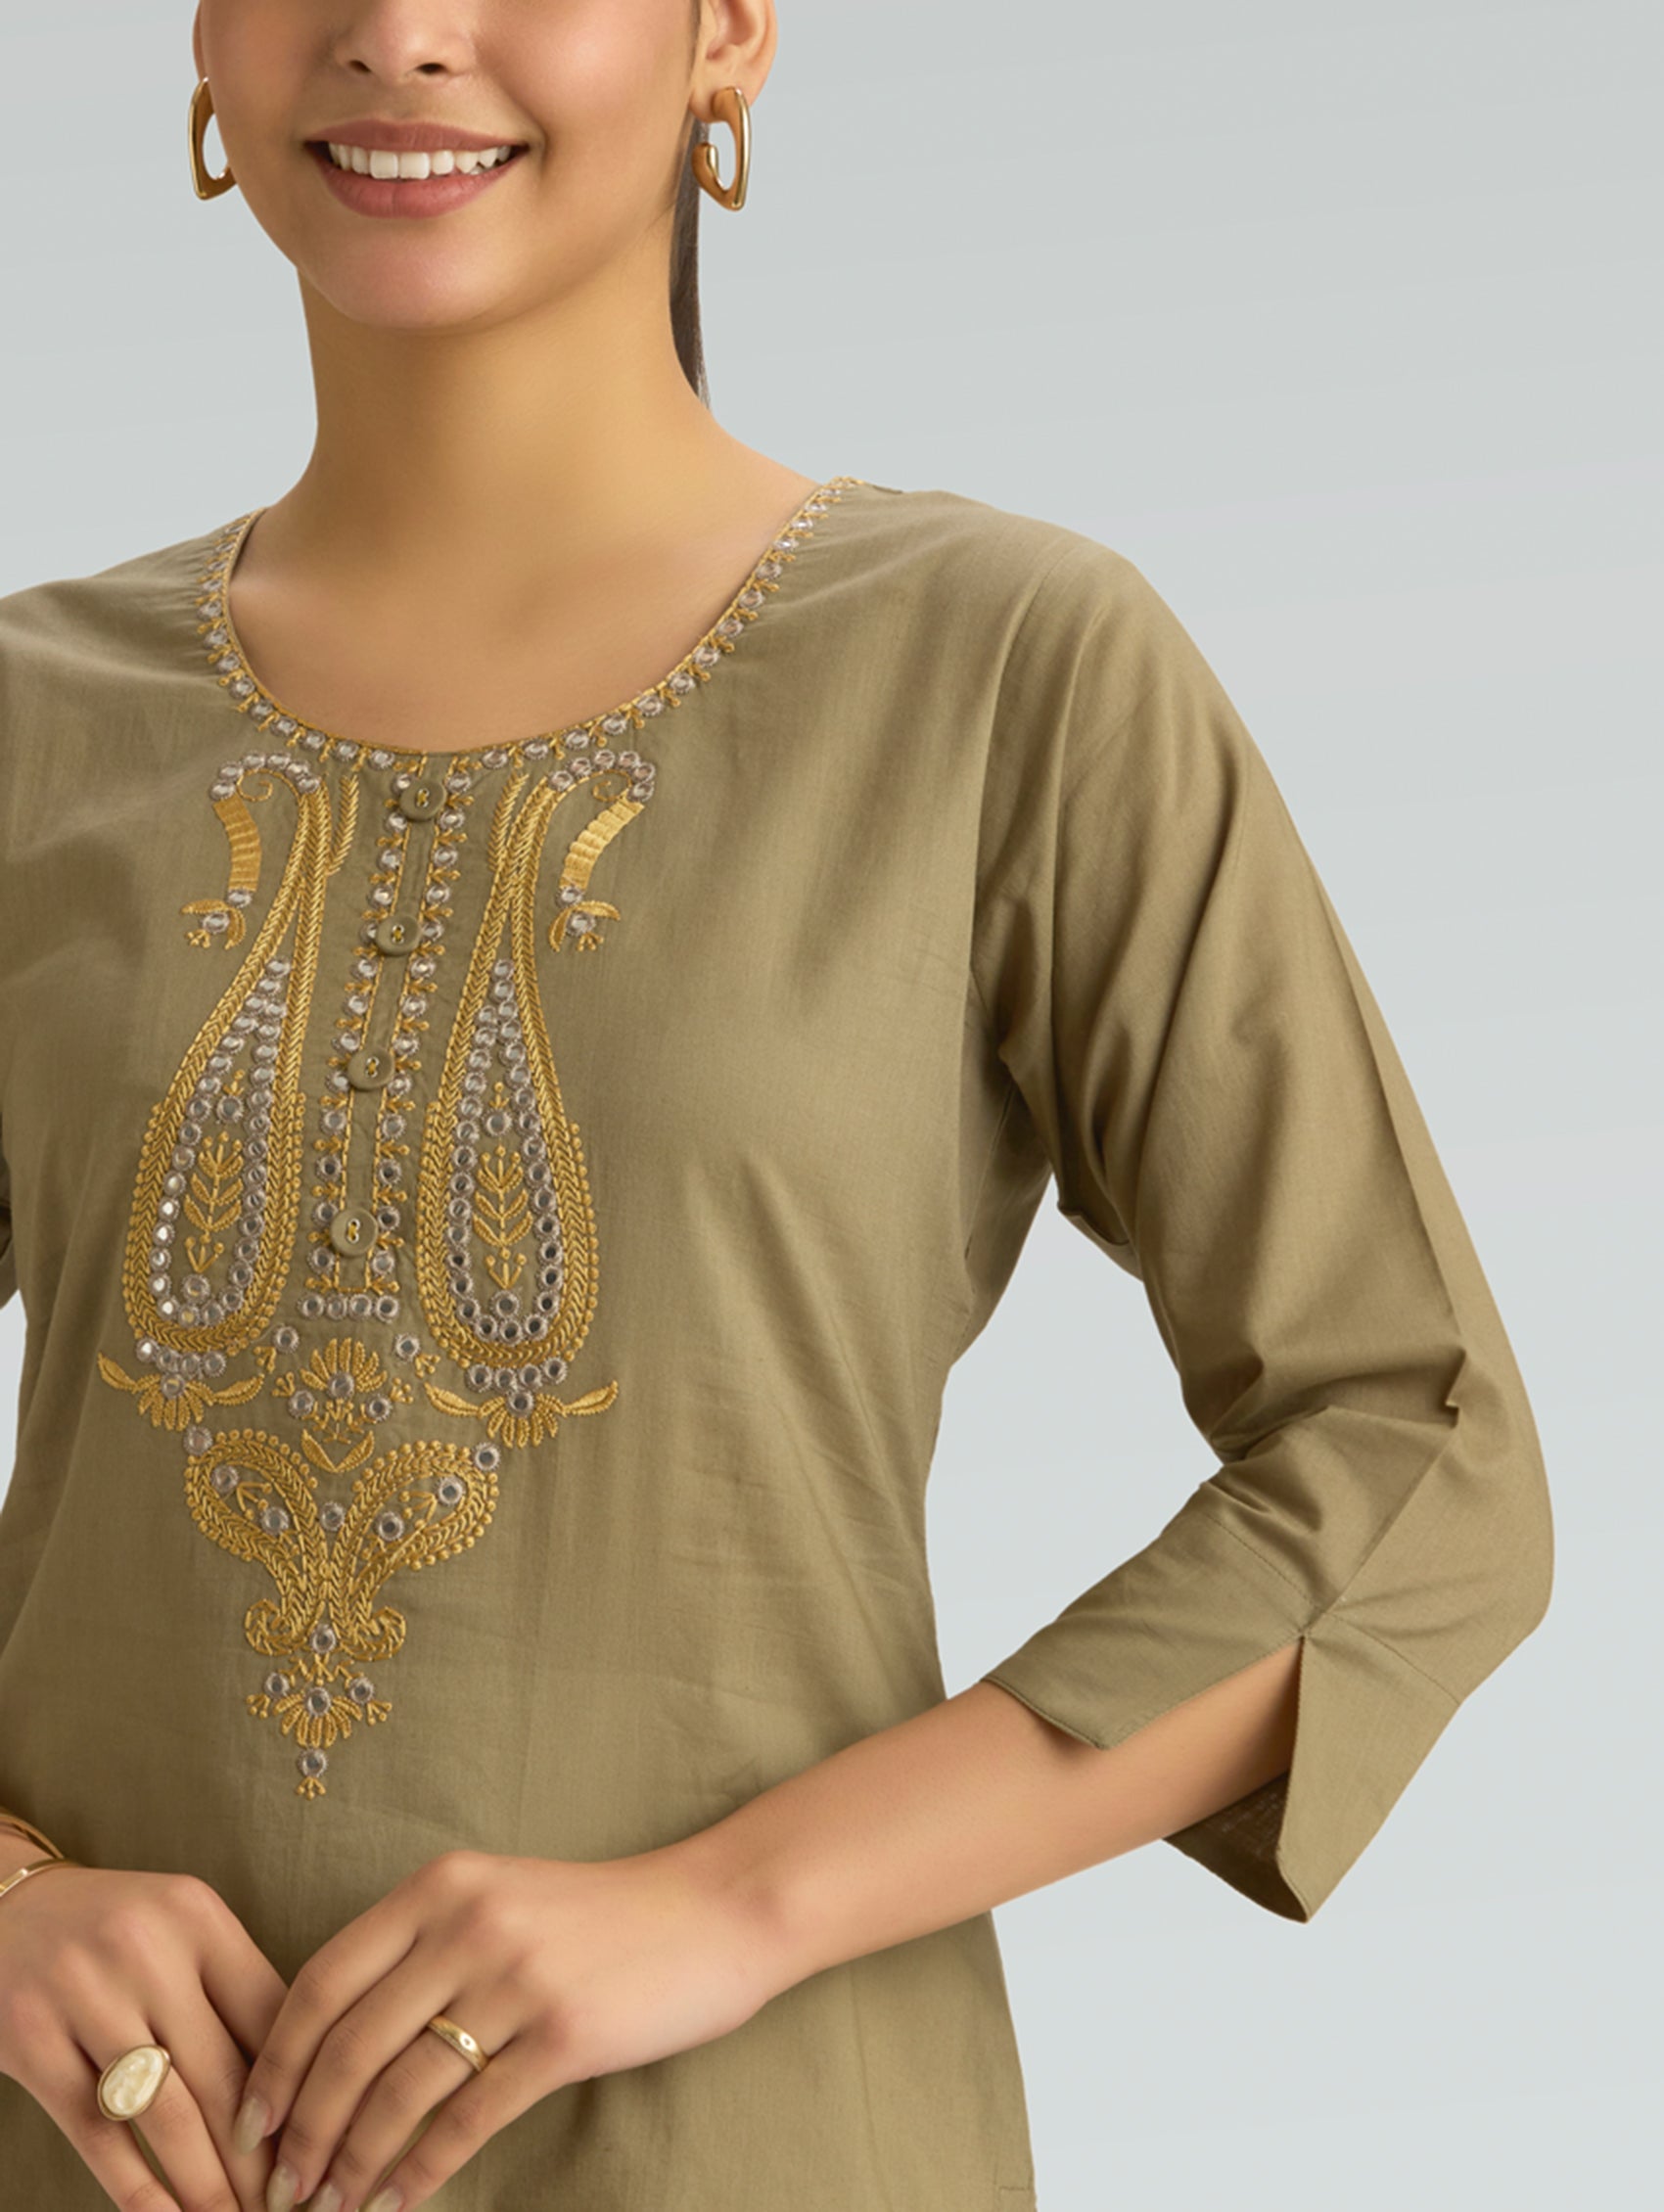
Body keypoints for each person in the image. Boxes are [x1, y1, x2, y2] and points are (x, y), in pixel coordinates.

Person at [0, 3, 1553, 2209]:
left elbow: (1420, 1451)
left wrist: (738, 1903)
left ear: (727, 32)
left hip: (758, 2143)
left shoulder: (1002, 667)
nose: (399, 33)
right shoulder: (36, 722)